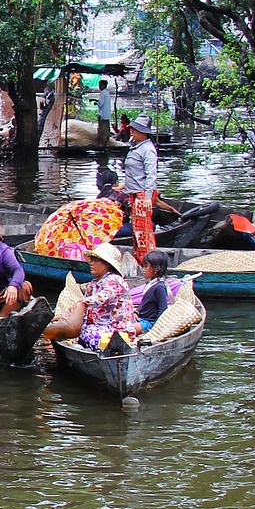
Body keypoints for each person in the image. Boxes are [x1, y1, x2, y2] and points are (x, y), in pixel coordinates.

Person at [43, 243, 141, 354]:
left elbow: (104, 296)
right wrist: (61, 316)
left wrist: (82, 303)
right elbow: (83, 310)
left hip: (117, 329)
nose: (91, 263)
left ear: (107, 265)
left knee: (85, 333)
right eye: (92, 260)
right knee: (68, 328)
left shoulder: (114, 280)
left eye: (96, 261)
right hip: (99, 325)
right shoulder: (94, 283)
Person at [120, 115, 160, 255]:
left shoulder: (147, 149)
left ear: (144, 133)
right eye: (132, 129)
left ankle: (147, 260)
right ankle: (140, 257)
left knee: (144, 232)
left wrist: (148, 197)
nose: (132, 132)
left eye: (135, 130)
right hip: (134, 193)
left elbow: (151, 175)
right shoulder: (136, 146)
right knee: (137, 231)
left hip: (143, 195)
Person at [134, 250, 175, 330]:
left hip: (149, 323)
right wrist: (136, 312)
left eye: (146, 266)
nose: (143, 269)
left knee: (129, 329)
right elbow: (144, 304)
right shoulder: (150, 283)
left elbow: (163, 309)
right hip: (141, 318)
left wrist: (157, 328)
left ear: (157, 268)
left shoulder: (160, 287)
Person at [96, 79, 115, 146]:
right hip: (107, 114)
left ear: (104, 85)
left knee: (102, 130)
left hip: (102, 115)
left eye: (100, 85)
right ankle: (105, 143)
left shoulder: (103, 93)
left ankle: (102, 144)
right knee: (106, 129)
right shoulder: (107, 93)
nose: (99, 87)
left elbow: (101, 103)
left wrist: (96, 103)